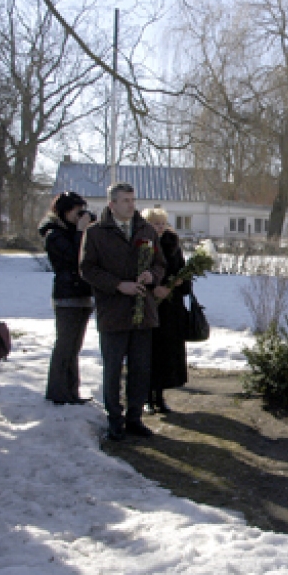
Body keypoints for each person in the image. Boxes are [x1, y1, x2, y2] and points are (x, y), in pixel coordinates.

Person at [79, 182, 165, 441]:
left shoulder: (146, 229)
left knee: (140, 368)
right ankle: (115, 419)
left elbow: (161, 263)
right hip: (113, 310)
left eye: (132, 199)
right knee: (113, 368)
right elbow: (87, 269)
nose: (131, 204)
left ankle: (134, 417)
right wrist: (118, 285)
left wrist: (153, 275)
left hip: (143, 311)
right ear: (112, 204)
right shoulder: (96, 233)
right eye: (125, 200)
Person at [39, 191, 94, 405]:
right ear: (64, 211)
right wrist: (81, 231)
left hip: (82, 295)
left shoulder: (71, 231)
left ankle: (71, 391)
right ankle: (57, 392)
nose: (80, 215)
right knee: (65, 345)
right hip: (66, 296)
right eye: (76, 211)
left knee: (74, 347)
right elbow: (74, 258)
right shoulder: (54, 234)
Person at [141, 207, 190, 415]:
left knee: (166, 353)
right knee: (148, 352)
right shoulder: (142, 244)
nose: (159, 227)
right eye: (155, 223)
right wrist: (154, 289)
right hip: (148, 305)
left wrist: (179, 282)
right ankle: (147, 397)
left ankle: (160, 396)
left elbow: (183, 271)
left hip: (170, 307)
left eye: (162, 222)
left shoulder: (173, 245)